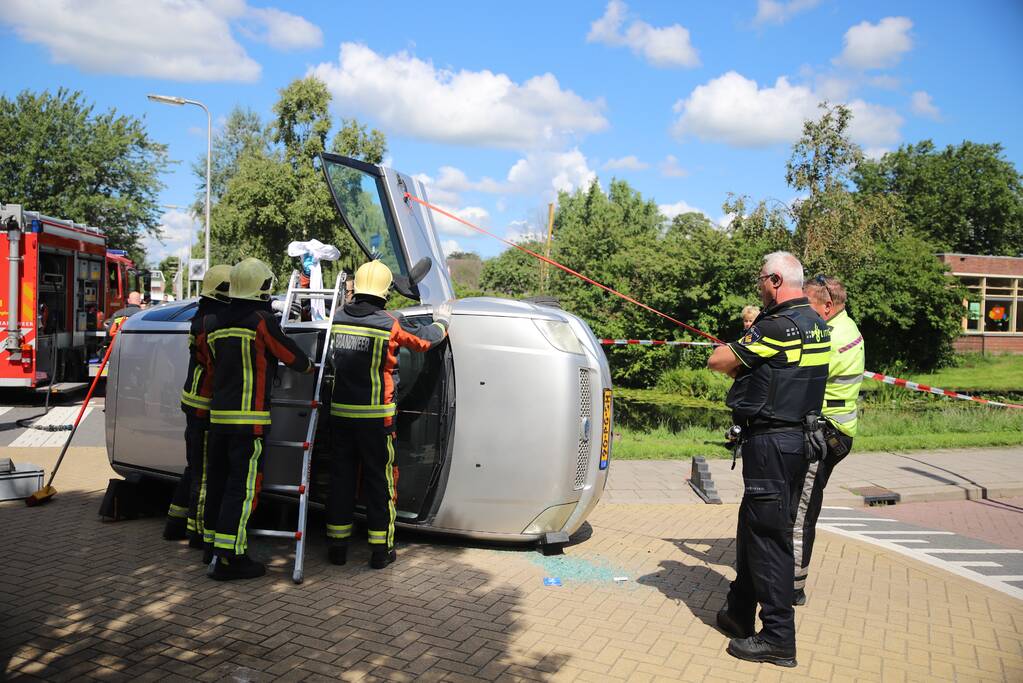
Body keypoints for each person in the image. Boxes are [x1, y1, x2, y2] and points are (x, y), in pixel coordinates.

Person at [707, 251, 830, 668]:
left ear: (776, 280)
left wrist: (740, 342)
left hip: (773, 444)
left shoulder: (778, 326)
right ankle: (739, 613)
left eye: (762, 278)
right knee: (752, 527)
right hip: (799, 441)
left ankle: (778, 636)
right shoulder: (816, 324)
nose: (759, 284)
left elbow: (718, 360)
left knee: (769, 540)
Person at [325, 260, 452, 569]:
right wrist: (443, 322)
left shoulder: (338, 319)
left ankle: (337, 548)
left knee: (340, 481)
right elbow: (424, 341)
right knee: (379, 483)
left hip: (340, 417)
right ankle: (380, 551)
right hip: (375, 420)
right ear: (383, 291)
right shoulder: (389, 322)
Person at [201, 258, 313, 580]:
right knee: (242, 488)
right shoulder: (261, 321)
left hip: (218, 419)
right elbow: (290, 355)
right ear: (261, 288)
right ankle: (231, 559)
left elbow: (211, 369)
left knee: (219, 485)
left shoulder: (214, 322)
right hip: (248, 423)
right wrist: (311, 367)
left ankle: (212, 548)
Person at [792, 275, 865, 605]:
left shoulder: (833, 337)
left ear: (827, 305)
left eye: (807, 304)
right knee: (803, 506)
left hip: (827, 433)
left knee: (800, 512)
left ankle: (793, 586)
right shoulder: (845, 326)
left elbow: (797, 372)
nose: (803, 310)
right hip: (838, 430)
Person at [163, 265, 232, 545]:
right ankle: (198, 532)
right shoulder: (215, 322)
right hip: (204, 405)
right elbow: (220, 365)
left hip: (194, 401)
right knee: (204, 474)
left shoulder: (201, 317)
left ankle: (175, 523)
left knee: (194, 468)